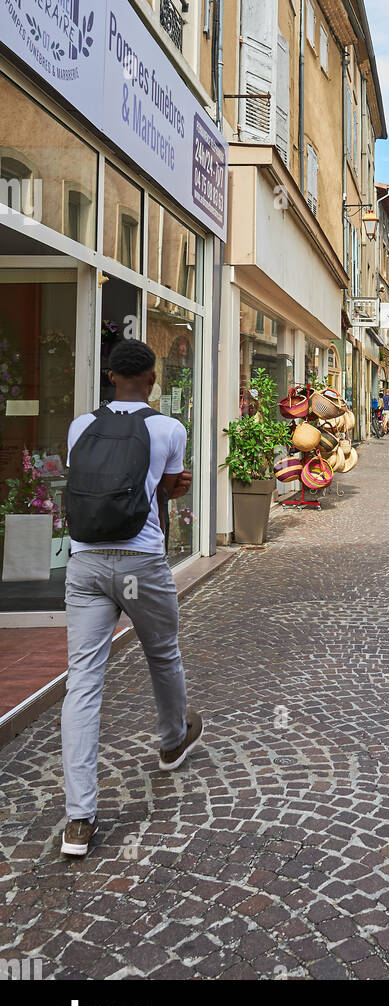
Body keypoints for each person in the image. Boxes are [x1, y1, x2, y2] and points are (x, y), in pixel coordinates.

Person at [59, 339, 202, 859]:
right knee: (161, 652)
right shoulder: (168, 427)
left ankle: (79, 819)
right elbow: (163, 490)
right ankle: (171, 740)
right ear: (153, 377)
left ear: (112, 376)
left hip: (86, 563)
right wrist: (175, 488)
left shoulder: (81, 426)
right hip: (140, 563)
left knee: (83, 681)